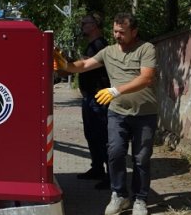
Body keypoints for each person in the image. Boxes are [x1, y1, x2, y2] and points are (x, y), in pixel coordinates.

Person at [54, 13, 157, 215]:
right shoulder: (108, 52)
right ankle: (119, 195)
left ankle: (140, 199)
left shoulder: (146, 49)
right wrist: (63, 63)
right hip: (117, 113)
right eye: (115, 31)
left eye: (122, 32)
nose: (117, 35)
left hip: (145, 114)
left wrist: (116, 90)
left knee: (141, 158)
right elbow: (83, 65)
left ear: (134, 31)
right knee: (115, 153)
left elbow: (146, 78)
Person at [76, 14, 111, 190]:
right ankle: (97, 168)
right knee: (91, 134)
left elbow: (87, 65)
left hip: (98, 97)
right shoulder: (92, 45)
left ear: (96, 25)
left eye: (86, 23)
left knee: (102, 136)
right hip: (90, 96)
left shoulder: (100, 45)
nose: (82, 25)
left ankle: (111, 175)